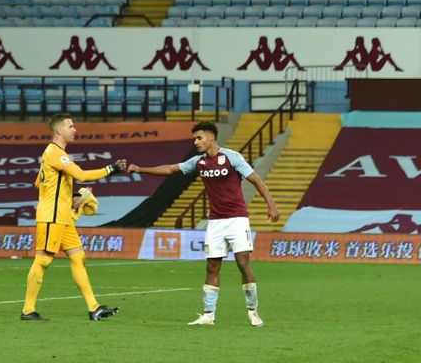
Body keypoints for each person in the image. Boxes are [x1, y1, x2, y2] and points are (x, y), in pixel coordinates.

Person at [126, 121, 280, 327]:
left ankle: (253, 311)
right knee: (212, 267)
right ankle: (209, 315)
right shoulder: (198, 162)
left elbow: (256, 180)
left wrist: (272, 206)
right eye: (194, 139)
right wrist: (140, 169)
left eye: (199, 138)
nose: (196, 142)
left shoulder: (232, 157)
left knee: (243, 264)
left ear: (212, 138)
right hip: (215, 222)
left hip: (237, 219)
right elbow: (171, 169)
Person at [21, 112, 126, 322]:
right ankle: (27, 310)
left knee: (78, 257)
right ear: (60, 130)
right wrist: (111, 168)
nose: (74, 129)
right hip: (51, 215)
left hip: (63, 216)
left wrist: (71, 196)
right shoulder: (54, 152)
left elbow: (38, 182)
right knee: (43, 261)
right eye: (70, 126)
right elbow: (82, 175)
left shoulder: (56, 155)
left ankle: (93, 307)